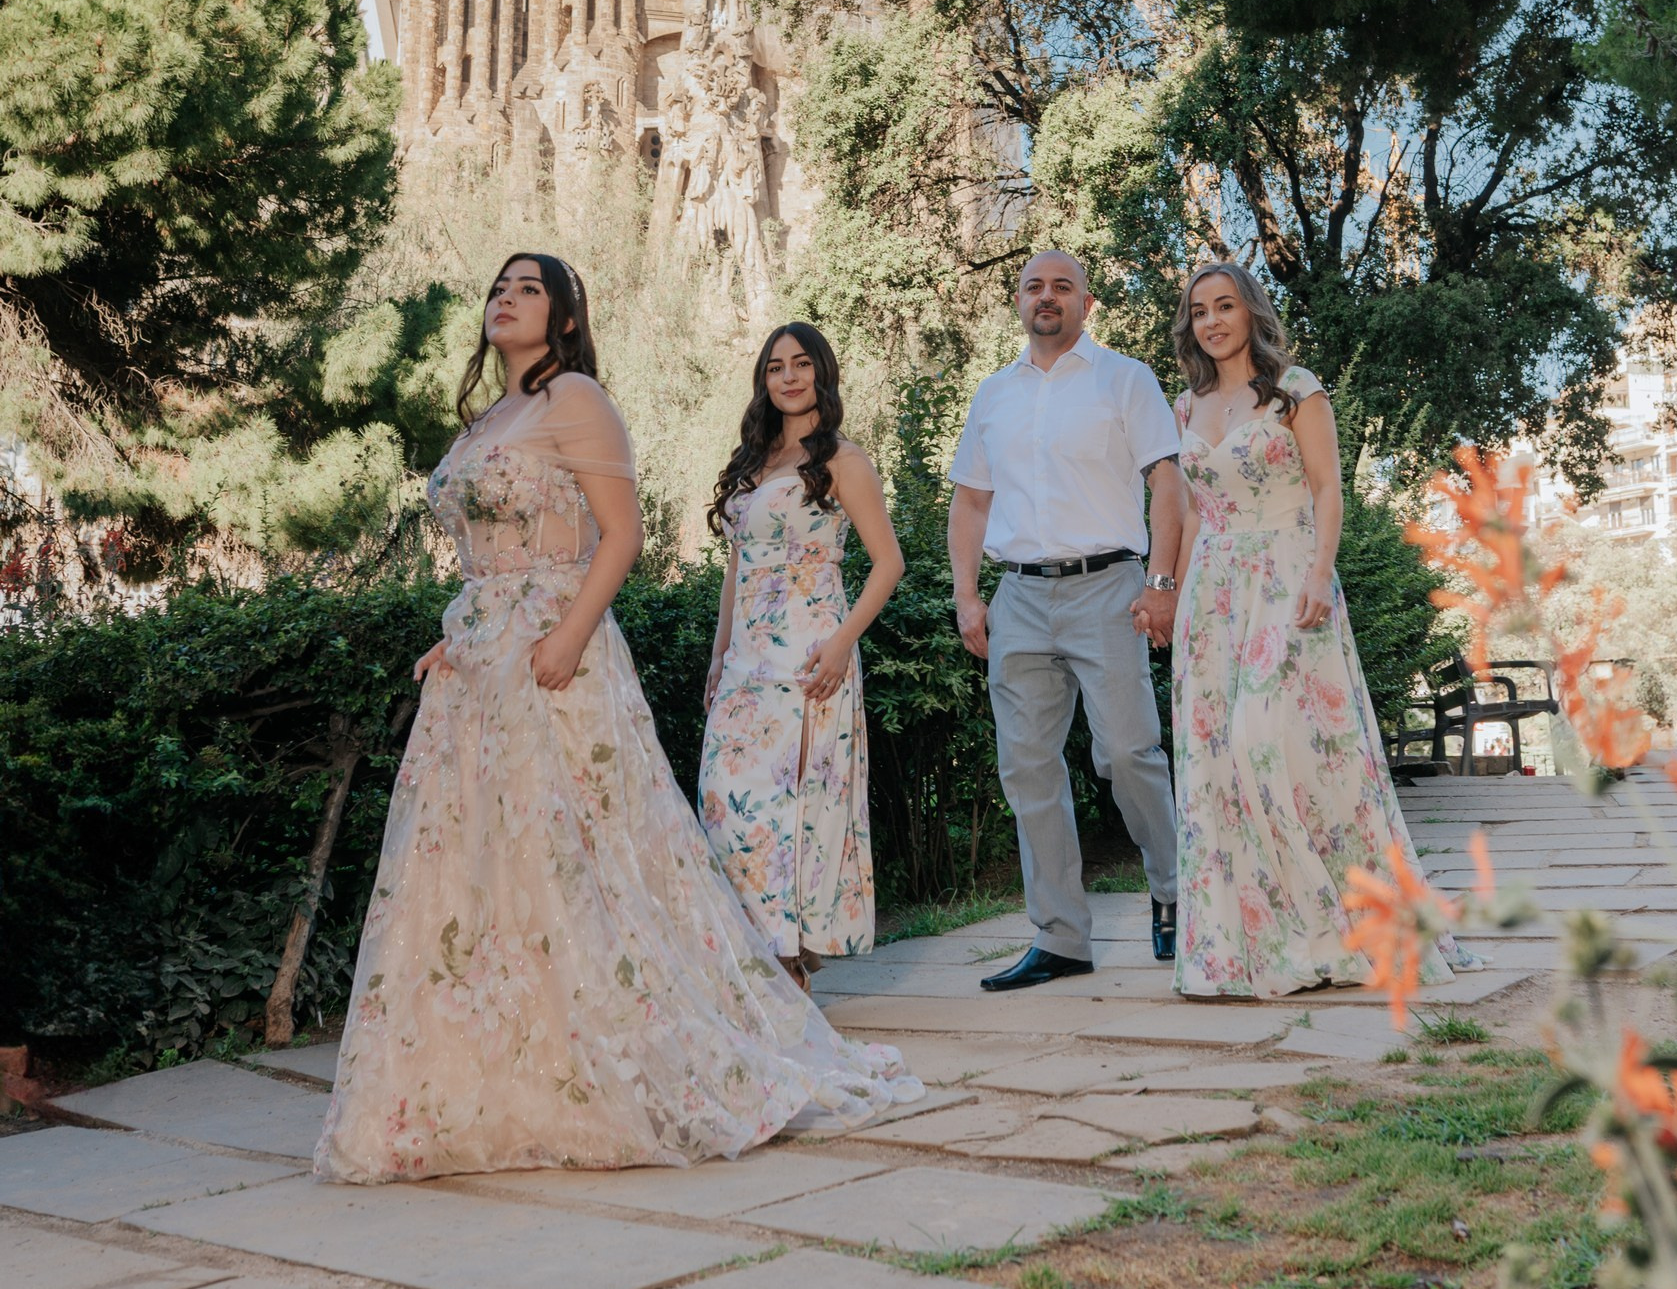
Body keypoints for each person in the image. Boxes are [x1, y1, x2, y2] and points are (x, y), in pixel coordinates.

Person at [315, 255, 920, 1182]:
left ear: (562, 316)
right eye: (497, 285)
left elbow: (621, 534)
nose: (503, 297)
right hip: (478, 663)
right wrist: (459, 633)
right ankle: (490, 1065)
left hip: (556, 652)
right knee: (483, 862)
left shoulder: (577, 399)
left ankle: (648, 1038)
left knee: (575, 853)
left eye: (524, 287)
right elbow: (485, 555)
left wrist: (567, 633)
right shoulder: (488, 419)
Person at [1168, 260, 1476, 998]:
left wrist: (1316, 574)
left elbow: (1326, 487)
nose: (1211, 321)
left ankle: (1332, 923)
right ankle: (1248, 942)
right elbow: (1188, 513)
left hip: (1283, 571)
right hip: (1211, 593)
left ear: (1250, 313)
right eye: (1199, 311)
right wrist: (1176, 600)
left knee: (1265, 742)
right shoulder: (1183, 406)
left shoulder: (1295, 390)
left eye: (1224, 306)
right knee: (1214, 763)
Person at [947, 252, 1187, 988]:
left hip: (1107, 587)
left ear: (1085, 302)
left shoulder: (1124, 378)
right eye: (1032, 287)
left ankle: (1177, 892)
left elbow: (1168, 484)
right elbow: (971, 502)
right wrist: (966, 594)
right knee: (1027, 768)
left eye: (1060, 287)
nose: (1045, 298)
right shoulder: (992, 394)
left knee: (1126, 754)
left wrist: (1162, 585)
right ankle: (1060, 939)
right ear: (1016, 302)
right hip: (1018, 595)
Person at [700, 323, 904, 987]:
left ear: (821, 373)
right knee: (725, 801)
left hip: (810, 658)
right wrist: (717, 656)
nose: (788, 376)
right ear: (763, 381)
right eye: (774, 367)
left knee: (791, 805)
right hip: (744, 665)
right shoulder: (750, 464)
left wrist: (842, 644)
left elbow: (888, 564)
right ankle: (756, 952)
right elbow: (737, 568)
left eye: (801, 364)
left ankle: (787, 962)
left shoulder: (841, 460)